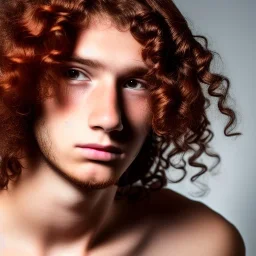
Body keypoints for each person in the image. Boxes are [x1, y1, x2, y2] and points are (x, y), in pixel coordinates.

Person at [0, 0, 245, 255]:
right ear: (19, 80)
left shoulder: (205, 244)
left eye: (134, 83)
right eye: (74, 74)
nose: (109, 119)